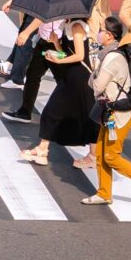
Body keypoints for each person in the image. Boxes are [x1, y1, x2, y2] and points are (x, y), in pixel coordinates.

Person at [86, 17, 131, 206]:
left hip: (118, 116)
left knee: (111, 156)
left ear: (109, 36)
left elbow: (96, 86)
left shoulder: (112, 58)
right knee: (102, 153)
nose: (98, 32)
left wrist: (94, 71)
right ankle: (104, 193)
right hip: (109, 112)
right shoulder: (110, 54)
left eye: (101, 29)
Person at [19, 19, 96, 167]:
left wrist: (59, 62)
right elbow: (67, 52)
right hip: (72, 76)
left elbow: (80, 56)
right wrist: (56, 44)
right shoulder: (68, 26)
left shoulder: (77, 27)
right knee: (84, 114)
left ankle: (43, 150)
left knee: (54, 111)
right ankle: (44, 149)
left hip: (79, 78)